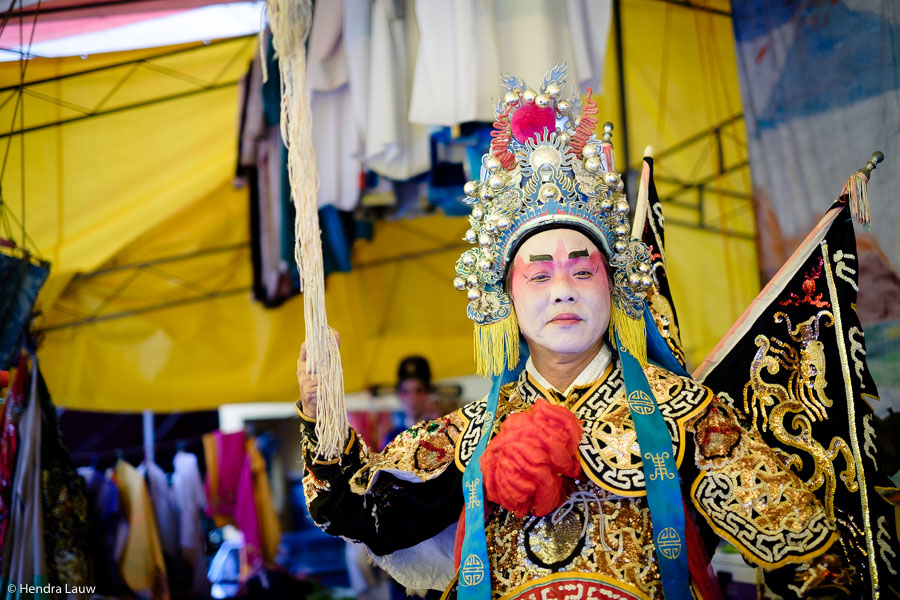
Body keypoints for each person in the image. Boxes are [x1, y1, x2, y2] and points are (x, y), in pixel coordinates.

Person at [296, 66, 859, 600]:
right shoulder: (465, 437)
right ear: (505, 299)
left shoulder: (685, 416)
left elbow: (810, 559)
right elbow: (358, 511)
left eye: (583, 270)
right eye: (538, 273)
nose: (562, 289)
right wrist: (320, 410)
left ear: (615, 290)